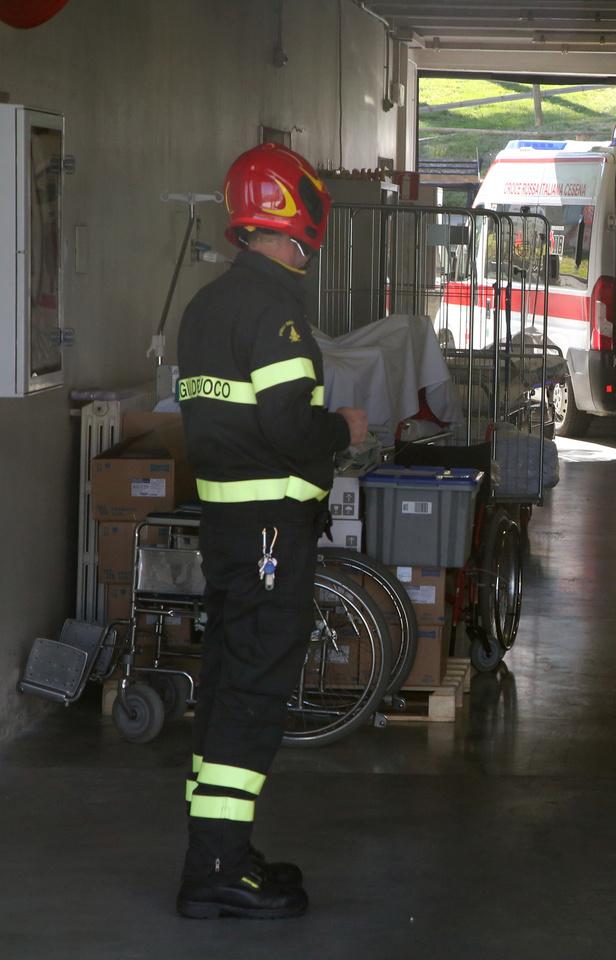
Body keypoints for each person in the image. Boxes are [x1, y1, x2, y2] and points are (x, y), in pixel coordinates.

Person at [174, 143, 368, 919]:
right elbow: (289, 427)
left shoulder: (206, 306)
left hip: (227, 526)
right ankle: (217, 869)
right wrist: (343, 429)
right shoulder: (275, 307)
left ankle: (216, 850)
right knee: (254, 691)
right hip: (268, 535)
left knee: (227, 683)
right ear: (299, 216)